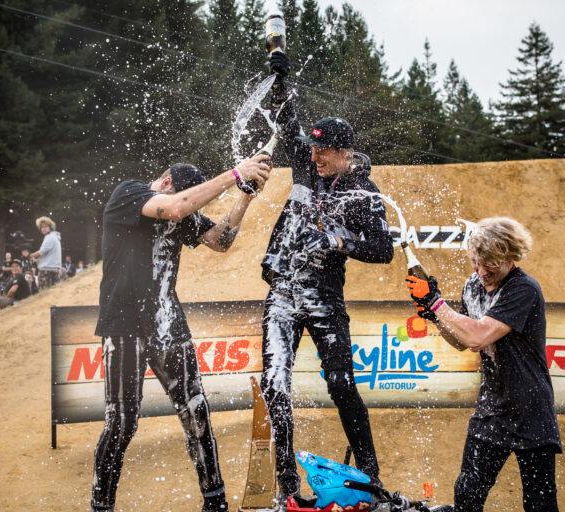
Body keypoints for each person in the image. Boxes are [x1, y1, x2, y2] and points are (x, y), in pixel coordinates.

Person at [91, 156, 270, 512]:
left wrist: (244, 196)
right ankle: (101, 506)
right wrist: (235, 174)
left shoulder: (182, 214)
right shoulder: (131, 193)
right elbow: (176, 208)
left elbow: (221, 241)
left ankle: (215, 500)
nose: (189, 206)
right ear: (168, 181)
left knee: (195, 410)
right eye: (186, 196)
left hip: (169, 324)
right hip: (124, 326)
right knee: (122, 423)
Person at [262, 51, 394, 500]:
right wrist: (280, 75)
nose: (313, 155)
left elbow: (384, 250)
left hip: (324, 298)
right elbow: (286, 117)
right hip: (282, 293)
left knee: (340, 384)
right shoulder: (304, 162)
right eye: (312, 147)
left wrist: (342, 242)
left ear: (343, 153)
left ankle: (372, 477)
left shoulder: (364, 193)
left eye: (323, 150)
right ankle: (286, 484)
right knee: (274, 385)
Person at [406, 217, 561, 512]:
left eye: (489, 264)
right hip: (492, 407)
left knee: (540, 503)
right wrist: (433, 315)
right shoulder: (473, 285)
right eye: (476, 262)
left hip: (531, 409)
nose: (482, 272)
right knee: (467, 493)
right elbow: (461, 341)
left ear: (510, 257)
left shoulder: (524, 289)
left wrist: (437, 302)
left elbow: (479, 336)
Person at [30, 216, 62, 288]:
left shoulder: (49, 237)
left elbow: (42, 251)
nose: (43, 229)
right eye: (41, 227)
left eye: (45, 227)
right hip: (53, 269)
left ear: (51, 227)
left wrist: (30, 255)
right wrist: (38, 260)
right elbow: (49, 255)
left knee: (44, 294)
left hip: (46, 271)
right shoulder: (56, 237)